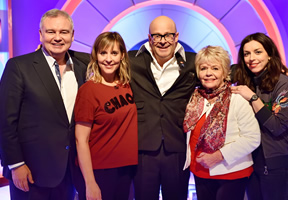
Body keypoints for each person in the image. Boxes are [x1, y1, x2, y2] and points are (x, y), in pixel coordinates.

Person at [0, 9, 87, 200]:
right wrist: (16, 164)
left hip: (69, 173)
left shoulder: (83, 65)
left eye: (64, 32)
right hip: (30, 173)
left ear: (73, 35)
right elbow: (5, 121)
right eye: (51, 32)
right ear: (41, 34)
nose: (57, 38)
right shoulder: (18, 67)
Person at [128, 16, 198, 200]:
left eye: (167, 35)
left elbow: (221, 67)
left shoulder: (194, 62)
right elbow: (99, 55)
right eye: (157, 36)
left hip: (177, 145)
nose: (163, 41)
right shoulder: (131, 60)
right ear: (149, 38)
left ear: (176, 36)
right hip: (143, 147)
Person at [183, 45, 260, 200]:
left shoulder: (237, 99)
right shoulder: (195, 98)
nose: (208, 73)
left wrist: (219, 155)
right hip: (200, 171)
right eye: (203, 68)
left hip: (231, 172)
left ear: (225, 72)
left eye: (215, 68)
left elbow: (252, 138)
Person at [231, 32, 288, 200]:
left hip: (276, 166)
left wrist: (253, 98)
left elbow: (277, 126)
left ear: (269, 55)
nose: (251, 58)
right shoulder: (246, 81)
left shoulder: (283, 83)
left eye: (258, 52)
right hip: (250, 164)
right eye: (246, 54)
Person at [73, 32, 138, 200]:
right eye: (103, 53)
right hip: (98, 172)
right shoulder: (88, 90)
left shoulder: (128, 85)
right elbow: (81, 140)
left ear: (122, 55)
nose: (108, 59)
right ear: (96, 56)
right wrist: (90, 182)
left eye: (114, 53)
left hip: (126, 170)